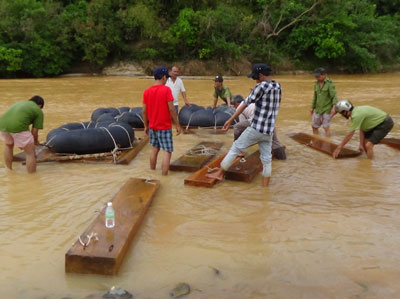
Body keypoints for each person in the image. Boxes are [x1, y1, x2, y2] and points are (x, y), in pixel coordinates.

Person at [206, 63, 281, 187]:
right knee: (266, 159)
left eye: (255, 77)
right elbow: (269, 104)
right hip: (269, 130)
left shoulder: (260, 87)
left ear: (261, 75)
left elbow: (244, 104)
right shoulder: (278, 86)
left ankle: (219, 173)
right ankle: (265, 186)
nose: (255, 80)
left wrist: (230, 120)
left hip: (256, 127)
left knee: (236, 148)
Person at [142, 66, 182, 175]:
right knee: (167, 151)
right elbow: (172, 109)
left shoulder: (147, 91)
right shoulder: (166, 90)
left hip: (152, 126)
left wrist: (146, 125)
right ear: (164, 77)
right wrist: (178, 125)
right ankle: (164, 176)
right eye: (167, 78)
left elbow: (144, 111)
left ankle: (152, 172)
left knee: (155, 149)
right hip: (164, 126)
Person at [231, 94, 286, 160]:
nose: (234, 107)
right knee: (275, 142)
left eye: (234, 104)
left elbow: (241, 128)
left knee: (237, 127)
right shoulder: (251, 103)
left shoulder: (240, 107)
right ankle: (284, 160)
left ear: (237, 103)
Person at [0, 96, 45, 173]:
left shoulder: (19, 103)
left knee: (8, 145)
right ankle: (32, 177)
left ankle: (9, 170)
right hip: (18, 127)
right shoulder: (38, 111)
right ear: (40, 105)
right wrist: (35, 142)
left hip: (2, 125)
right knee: (30, 152)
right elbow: (34, 132)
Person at [310, 67, 338, 137]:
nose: (316, 78)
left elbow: (334, 96)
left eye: (318, 76)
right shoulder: (316, 84)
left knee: (326, 127)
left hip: (327, 109)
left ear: (324, 75)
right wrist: (312, 107)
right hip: (318, 109)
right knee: (314, 126)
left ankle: (328, 142)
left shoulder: (330, 84)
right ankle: (316, 140)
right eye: (316, 76)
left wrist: (334, 108)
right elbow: (315, 97)